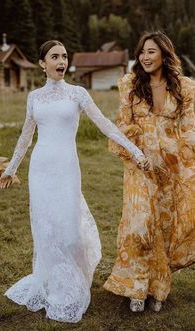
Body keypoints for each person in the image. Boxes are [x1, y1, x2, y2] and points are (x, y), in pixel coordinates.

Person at [0, 40, 149, 323]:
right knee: (46, 231)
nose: (61, 61)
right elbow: (25, 137)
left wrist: (135, 150)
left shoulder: (78, 94)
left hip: (67, 169)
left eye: (64, 56)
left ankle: (74, 284)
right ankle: (55, 285)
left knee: (69, 232)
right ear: (42, 63)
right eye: (55, 56)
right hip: (40, 169)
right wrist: (10, 168)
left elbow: (105, 124)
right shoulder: (34, 97)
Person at [103, 31, 195, 313]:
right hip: (139, 167)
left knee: (163, 231)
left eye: (151, 51)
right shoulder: (130, 85)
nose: (145, 56)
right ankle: (135, 289)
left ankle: (158, 289)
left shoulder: (185, 87)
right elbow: (123, 125)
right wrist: (135, 153)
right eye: (142, 51)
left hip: (170, 170)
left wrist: (180, 158)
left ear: (165, 54)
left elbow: (190, 129)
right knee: (139, 226)